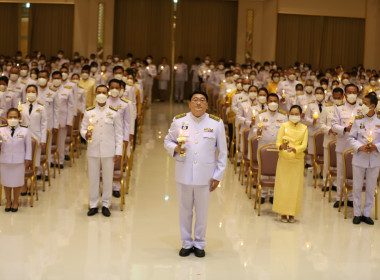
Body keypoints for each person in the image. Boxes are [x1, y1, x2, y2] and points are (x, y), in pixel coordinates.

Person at [164, 91, 227, 258]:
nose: (199, 103)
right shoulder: (179, 121)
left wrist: (218, 175)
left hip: (205, 175)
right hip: (183, 173)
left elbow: (222, 152)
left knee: (202, 211)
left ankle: (199, 243)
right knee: (184, 210)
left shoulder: (216, 123)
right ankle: (186, 242)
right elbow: (168, 140)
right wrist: (175, 148)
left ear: (207, 105)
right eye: (195, 100)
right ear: (189, 103)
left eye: (202, 101)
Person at [80, 85, 123, 217]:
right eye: (99, 92)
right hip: (93, 149)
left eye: (104, 92)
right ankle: (93, 204)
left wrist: (118, 151)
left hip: (108, 150)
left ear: (108, 94)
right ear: (95, 94)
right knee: (93, 178)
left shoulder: (114, 112)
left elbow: (119, 134)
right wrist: (85, 134)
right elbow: (83, 128)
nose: (101, 94)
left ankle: (106, 204)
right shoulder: (89, 112)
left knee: (107, 178)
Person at [348, 92, 380, 225]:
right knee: (357, 186)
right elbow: (351, 138)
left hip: (374, 159)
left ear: (372, 106)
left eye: (365, 104)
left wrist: (376, 147)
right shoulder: (358, 119)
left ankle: (366, 213)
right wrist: (360, 147)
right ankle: (356, 213)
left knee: (371, 188)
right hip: (360, 158)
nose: (362, 106)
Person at [273, 105, 308, 223]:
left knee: (295, 188)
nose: (294, 116)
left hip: (297, 160)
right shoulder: (284, 126)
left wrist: (295, 149)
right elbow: (278, 142)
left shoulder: (304, 128)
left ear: (300, 115)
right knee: (283, 187)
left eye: (296, 114)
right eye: (292, 114)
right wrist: (281, 146)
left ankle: (292, 213)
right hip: (284, 159)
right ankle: (283, 212)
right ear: (288, 114)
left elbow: (304, 145)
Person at [331, 84, 362, 208]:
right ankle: (340, 198)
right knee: (341, 173)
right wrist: (345, 128)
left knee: (354, 173)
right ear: (345, 94)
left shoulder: (361, 108)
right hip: (343, 145)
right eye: (349, 92)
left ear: (357, 94)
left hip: (357, 146)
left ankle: (350, 198)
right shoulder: (339, 108)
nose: (352, 94)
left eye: (354, 92)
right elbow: (333, 125)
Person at [254, 93, 287, 203]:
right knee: (262, 170)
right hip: (263, 147)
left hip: (278, 147)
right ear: (267, 103)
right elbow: (255, 130)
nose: (273, 103)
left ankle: (273, 194)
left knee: (276, 170)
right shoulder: (260, 115)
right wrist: (257, 132)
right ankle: (262, 194)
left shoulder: (283, 116)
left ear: (278, 103)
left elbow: (286, 132)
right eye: (271, 101)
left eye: (275, 101)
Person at [0, 108, 32, 212]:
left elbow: (28, 146)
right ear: (7, 118)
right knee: (7, 183)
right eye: (10, 117)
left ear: (19, 118)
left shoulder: (25, 130)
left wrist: (28, 159)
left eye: (15, 117)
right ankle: (8, 201)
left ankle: (15, 202)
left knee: (17, 183)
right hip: (5, 160)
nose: (13, 119)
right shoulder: (1, 130)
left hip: (19, 161)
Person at [107, 79, 131, 197]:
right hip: (106, 137)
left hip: (119, 137)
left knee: (117, 162)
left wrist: (126, 139)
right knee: (105, 162)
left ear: (121, 89)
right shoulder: (104, 102)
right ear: (108, 88)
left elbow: (127, 123)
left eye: (117, 88)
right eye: (112, 87)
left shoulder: (125, 104)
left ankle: (116, 187)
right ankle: (105, 186)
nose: (114, 90)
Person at [20, 85, 47, 188]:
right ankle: (24, 185)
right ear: (26, 93)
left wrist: (43, 139)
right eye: (29, 91)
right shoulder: (21, 106)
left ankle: (33, 183)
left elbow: (44, 125)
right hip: (23, 138)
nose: (31, 93)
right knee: (24, 161)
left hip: (37, 137)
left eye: (33, 91)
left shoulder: (41, 107)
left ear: (37, 93)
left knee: (35, 161)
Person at [319, 87, 342, 191]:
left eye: (339, 97)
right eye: (335, 97)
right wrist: (329, 130)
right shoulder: (326, 108)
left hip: (341, 140)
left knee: (338, 163)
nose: (337, 99)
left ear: (343, 97)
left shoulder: (345, 109)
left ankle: (337, 183)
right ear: (332, 97)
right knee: (327, 162)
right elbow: (321, 124)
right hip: (329, 139)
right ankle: (326, 183)